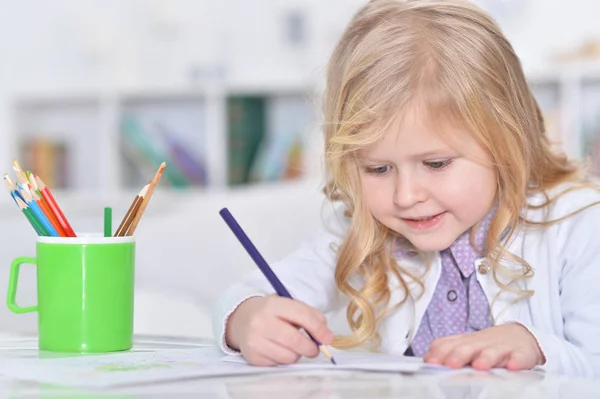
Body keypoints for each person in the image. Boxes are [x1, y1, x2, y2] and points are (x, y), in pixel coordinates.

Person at [212, 0, 600, 378]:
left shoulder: (579, 224)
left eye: (436, 164)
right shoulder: (362, 233)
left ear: (506, 139)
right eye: (379, 168)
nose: (406, 196)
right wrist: (245, 320)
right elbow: (247, 295)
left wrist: (536, 347)